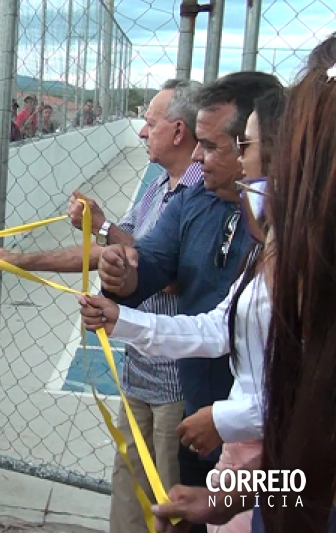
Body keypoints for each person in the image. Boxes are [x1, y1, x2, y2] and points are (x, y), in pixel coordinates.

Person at [0, 78, 203, 533]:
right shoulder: (157, 188)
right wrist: (19, 260)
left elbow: (164, 271)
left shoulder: (202, 196)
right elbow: (109, 251)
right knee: (130, 490)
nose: (142, 131)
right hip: (140, 373)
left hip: (178, 383)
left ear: (179, 131)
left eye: (151, 123)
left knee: (176, 503)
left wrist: (103, 227)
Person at [78, 87, 286, 533]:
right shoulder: (262, 242)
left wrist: (226, 425)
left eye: (238, 146)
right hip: (226, 444)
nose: (198, 158)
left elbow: (308, 461)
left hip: (247, 449)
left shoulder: (308, 261)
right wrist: (121, 316)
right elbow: (216, 326)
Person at [151, 33, 336, 533]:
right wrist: (231, 497)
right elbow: (308, 471)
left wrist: (232, 477)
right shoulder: (289, 251)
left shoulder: (301, 257)